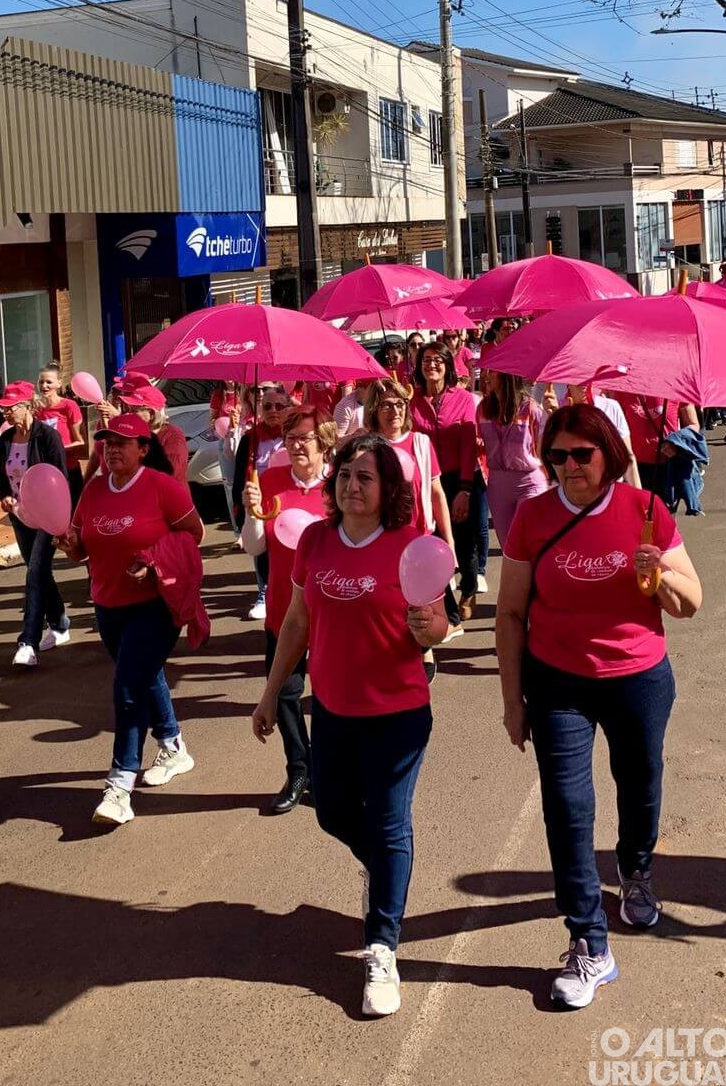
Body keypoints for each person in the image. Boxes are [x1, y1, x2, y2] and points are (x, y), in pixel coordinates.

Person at [496, 404, 702, 1010]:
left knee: (639, 785)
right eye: (556, 455)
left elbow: (691, 602)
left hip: (639, 677)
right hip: (558, 682)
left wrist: (658, 573)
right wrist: (512, 699)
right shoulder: (534, 516)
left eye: (579, 454)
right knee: (566, 804)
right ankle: (589, 940)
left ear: (607, 452)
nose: (567, 467)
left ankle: (635, 870)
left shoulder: (645, 511)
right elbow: (509, 613)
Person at [253, 434, 448, 1018]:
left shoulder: (412, 545)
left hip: (398, 717)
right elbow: (296, 621)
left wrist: (426, 628)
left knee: (389, 824)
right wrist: (269, 693)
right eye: (344, 475)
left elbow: (439, 628)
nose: (350, 485)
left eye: (365, 476)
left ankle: (382, 947)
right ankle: (391, 868)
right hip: (333, 711)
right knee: (333, 811)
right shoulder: (314, 540)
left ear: (389, 488)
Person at [56, 414, 204, 825]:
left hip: (155, 604)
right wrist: (70, 544)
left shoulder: (162, 488)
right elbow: (83, 549)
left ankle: (120, 786)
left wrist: (155, 560)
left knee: (127, 687)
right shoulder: (94, 490)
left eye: (123, 442)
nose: (113, 448)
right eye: (107, 442)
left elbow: (194, 535)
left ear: (144, 448)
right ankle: (173, 746)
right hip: (108, 604)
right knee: (142, 674)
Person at [242, 406, 335, 815]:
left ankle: (330, 773)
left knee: (332, 697)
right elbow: (254, 547)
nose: (297, 445)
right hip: (284, 609)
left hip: (333, 613)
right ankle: (300, 770)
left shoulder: (339, 489)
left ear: (324, 442)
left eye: (305, 438)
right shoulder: (269, 481)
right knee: (283, 693)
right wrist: (250, 511)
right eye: (291, 438)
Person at [0, 382, 71, 666]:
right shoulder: (5, 439)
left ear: (28, 406)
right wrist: (4, 497)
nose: (6, 413)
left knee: (36, 571)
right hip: (19, 516)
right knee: (37, 571)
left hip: (46, 516)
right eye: (3, 409)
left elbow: (59, 476)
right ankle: (60, 623)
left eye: (11, 407)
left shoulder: (48, 436)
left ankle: (27, 642)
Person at [410, 343, 482, 623]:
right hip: (427, 480)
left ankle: (469, 588)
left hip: (459, 477)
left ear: (448, 365)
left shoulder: (463, 398)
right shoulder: (412, 400)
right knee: (432, 539)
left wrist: (464, 489)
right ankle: (442, 600)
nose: (432, 365)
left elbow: (468, 447)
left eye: (438, 360)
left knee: (464, 541)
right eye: (426, 360)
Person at [364, 379, 454, 548]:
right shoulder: (365, 448)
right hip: (378, 541)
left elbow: (437, 494)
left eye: (400, 403)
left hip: (419, 540)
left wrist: (450, 541)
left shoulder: (421, 443)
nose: (395, 411)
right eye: (386, 405)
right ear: (374, 409)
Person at [231, 385, 291, 620]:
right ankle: (264, 592)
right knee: (262, 554)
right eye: (267, 406)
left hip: (289, 505)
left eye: (279, 406)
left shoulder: (295, 436)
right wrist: (240, 510)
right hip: (259, 505)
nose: (273, 410)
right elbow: (238, 478)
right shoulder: (250, 439)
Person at [477, 372, 549, 547]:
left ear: (506, 376)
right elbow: (480, 441)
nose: (486, 376)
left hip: (531, 482)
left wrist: (551, 413)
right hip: (498, 485)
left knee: (532, 541)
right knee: (509, 547)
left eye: (492, 372)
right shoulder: (482, 408)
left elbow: (546, 447)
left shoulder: (531, 408)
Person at [609, 392, 699, 500]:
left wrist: (676, 444)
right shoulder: (623, 391)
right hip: (634, 468)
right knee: (639, 511)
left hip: (667, 466)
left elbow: (693, 425)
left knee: (663, 512)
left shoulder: (676, 388)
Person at [36, 366, 86, 504]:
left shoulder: (69, 406)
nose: (44, 386)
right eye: (41, 382)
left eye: (48, 382)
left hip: (68, 469)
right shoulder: (35, 410)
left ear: (59, 383)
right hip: (44, 472)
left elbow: (80, 442)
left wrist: (57, 451)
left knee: (73, 513)